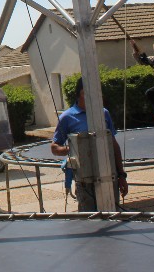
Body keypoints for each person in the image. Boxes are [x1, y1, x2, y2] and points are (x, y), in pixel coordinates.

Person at [50, 78, 129, 212]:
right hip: (84, 180)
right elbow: (54, 147)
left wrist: (121, 175)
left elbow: (113, 145)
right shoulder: (67, 117)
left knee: (114, 214)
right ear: (80, 94)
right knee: (89, 217)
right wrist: (73, 149)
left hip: (108, 176)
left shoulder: (104, 113)